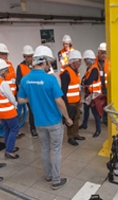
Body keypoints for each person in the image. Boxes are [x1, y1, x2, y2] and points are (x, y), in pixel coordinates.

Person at [17, 45, 73, 190]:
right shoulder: (50, 79)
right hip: (54, 121)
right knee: (55, 150)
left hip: (39, 122)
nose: (50, 65)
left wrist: (35, 98)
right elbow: (59, 101)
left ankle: (48, 175)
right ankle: (56, 180)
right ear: (45, 61)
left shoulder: (25, 79)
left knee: (44, 148)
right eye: (49, 62)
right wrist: (67, 117)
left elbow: (21, 100)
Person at [0, 58, 19, 159]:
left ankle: (8, 147)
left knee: (6, 129)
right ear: (2, 72)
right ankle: (9, 151)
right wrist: (15, 104)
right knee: (14, 129)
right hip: (8, 111)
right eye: (6, 70)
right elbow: (11, 97)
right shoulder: (3, 84)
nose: (7, 72)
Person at [60, 50, 85, 146]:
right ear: (74, 62)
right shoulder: (66, 73)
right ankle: (70, 137)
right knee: (70, 120)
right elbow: (64, 91)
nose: (80, 63)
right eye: (79, 61)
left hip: (76, 100)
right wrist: (65, 105)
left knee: (76, 118)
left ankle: (76, 134)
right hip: (70, 102)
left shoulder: (76, 71)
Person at [16, 45, 38, 138]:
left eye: (31, 56)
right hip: (28, 94)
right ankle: (33, 128)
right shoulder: (20, 67)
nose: (30, 58)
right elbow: (19, 83)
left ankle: (40, 126)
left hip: (37, 92)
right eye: (28, 56)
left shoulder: (36, 65)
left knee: (38, 110)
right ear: (24, 57)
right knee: (32, 111)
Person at [80, 50, 102, 138]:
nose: (84, 62)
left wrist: (84, 81)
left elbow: (88, 81)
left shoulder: (94, 69)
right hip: (89, 93)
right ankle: (84, 124)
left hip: (94, 94)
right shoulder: (89, 68)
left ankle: (98, 129)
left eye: (85, 60)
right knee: (86, 109)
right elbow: (83, 79)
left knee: (95, 112)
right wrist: (84, 81)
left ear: (88, 60)